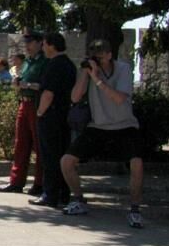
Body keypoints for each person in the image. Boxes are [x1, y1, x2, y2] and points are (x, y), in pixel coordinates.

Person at [61, 39, 144, 227]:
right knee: (67, 161)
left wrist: (98, 80)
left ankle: (135, 209)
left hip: (124, 125)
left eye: (100, 58)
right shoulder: (89, 71)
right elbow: (75, 97)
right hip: (98, 126)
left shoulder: (123, 69)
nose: (97, 61)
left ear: (109, 55)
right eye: (94, 58)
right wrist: (86, 74)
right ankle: (79, 200)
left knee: (136, 163)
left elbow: (119, 99)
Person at [30, 31, 76, 208]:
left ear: (50, 45)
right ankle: (64, 193)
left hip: (51, 116)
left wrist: (40, 112)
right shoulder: (69, 64)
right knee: (62, 153)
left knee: (49, 156)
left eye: (44, 44)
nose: (43, 47)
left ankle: (50, 194)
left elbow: (48, 93)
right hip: (64, 114)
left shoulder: (54, 65)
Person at [0, 32, 48, 195]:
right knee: (21, 144)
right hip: (24, 102)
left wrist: (29, 85)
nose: (27, 45)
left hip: (36, 103)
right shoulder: (27, 62)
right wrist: (18, 83)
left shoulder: (45, 62)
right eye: (26, 42)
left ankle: (39, 183)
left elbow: (46, 86)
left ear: (40, 43)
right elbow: (22, 80)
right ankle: (16, 181)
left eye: (31, 42)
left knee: (39, 145)